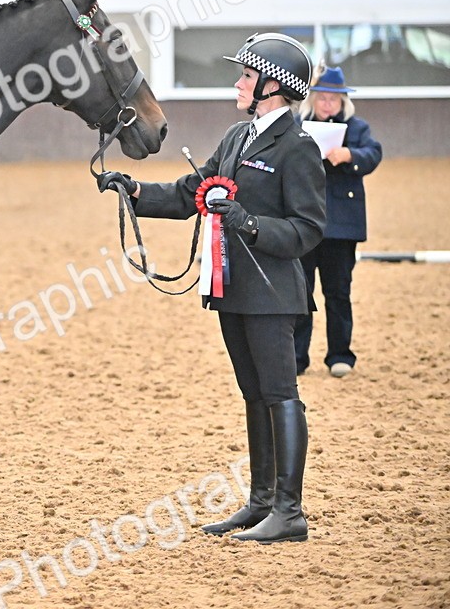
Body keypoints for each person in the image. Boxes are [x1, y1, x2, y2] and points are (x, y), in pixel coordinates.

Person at [97, 32, 326, 544]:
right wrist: (134, 191)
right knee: (253, 395)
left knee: (280, 394)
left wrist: (249, 223)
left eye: (247, 76)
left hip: (273, 292)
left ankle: (290, 511)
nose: (239, 83)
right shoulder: (237, 137)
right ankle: (261, 502)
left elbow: (308, 230)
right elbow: (190, 193)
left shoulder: (299, 148)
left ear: (274, 87)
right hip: (233, 288)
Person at [293, 65, 382, 378]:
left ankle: (340, 355)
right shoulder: (297, 125)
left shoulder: (357, 129)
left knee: (338, 292)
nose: (328, 104)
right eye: (322, 98)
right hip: (303, 223)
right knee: (300, 293)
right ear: (313, 99)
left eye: (334, 99)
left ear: (343, 102)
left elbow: (373, 154)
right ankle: (296, 357)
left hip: (342, 227)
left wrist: (349, 156)